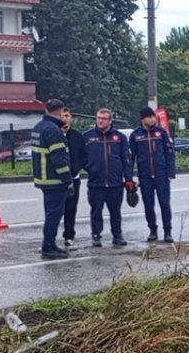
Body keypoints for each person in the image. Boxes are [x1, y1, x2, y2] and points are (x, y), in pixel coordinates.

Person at [31, 99, 74, 259]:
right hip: (54, 180)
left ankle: (48, 243)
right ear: (59, 112)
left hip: (42, 179)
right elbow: (59, 159)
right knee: (54, 215)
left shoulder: (39, 127)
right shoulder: (53, 131)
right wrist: (67, 179)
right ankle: (48, 246)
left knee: (50, 213)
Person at [83, 108, 131, 247]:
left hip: (115, 182)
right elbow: (81, 158)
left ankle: (117, 235)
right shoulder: (87, 137)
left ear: (110, 121)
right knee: (96, 212)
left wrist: (128, 179)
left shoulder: (119, 137)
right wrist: (90, 168)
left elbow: (126, 159)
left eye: (103, 118)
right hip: (95, 182)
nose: (100, 121)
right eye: (98, 118)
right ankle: (96, 236)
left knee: (115, 212)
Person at [129, 106, 175, 243]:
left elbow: (169, 153)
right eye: (149, 117)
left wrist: (170, 172)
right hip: (145, 175)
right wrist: (129, 177)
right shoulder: (135, 135)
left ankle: (168, 231)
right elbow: (130, 157)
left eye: (153, 116)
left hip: (161, 174)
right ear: (143, 119)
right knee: (148, 204)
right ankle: (152, 230)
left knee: (164, 204)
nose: (152, 119)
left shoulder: (161, 133)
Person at [60, 107, 86, 248]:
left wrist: (76, 169)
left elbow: (83, 156)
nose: (64, 119)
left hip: (73, 178)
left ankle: (69, 236)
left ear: (71, 118)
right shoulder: (54, 135)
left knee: (71, 209)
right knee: (56, 210)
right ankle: (50, 238)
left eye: (67, 115)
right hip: (57, 180)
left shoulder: (77, 136)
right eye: (61, 116)